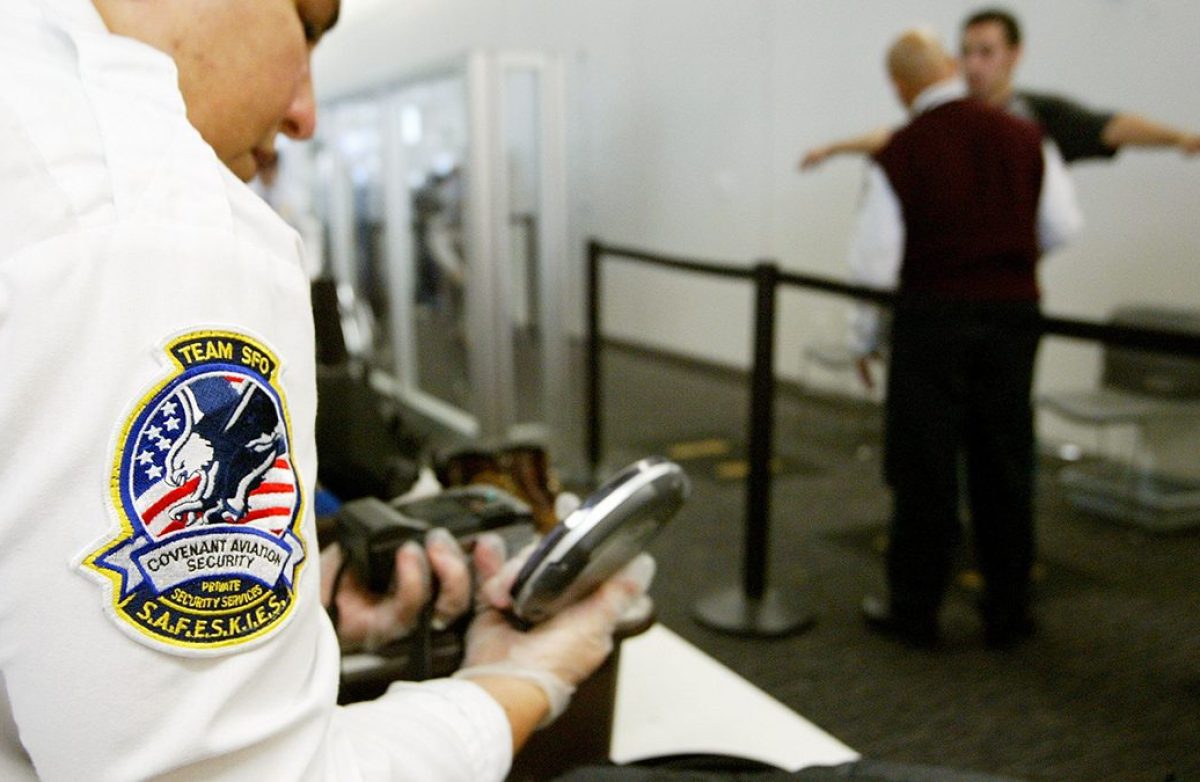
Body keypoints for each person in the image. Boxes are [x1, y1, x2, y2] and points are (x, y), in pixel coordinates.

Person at [0, 1, 652, 780]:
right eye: (307, 26)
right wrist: (510, 684)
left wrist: (283, 643)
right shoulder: (148, 217)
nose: (305, 114)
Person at [848, 28, 1083, 649]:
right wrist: (1004, 263)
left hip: (932, 319)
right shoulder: (1027, 136)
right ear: (950, 66)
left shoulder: (901, 150)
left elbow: (875, 265)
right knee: (1005, 461)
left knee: (925, 467)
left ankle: (915, 610)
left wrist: (864, 340)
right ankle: (1008, 612)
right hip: (1012, 318)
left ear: (900, 87)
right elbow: (1061, 226)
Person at [799, 7, 1200, 169]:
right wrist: (833, 149)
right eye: (967, 52)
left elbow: (1111, 126)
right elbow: (895, 138)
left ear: (1014, 54)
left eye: (986, 52)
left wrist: (1178, 137)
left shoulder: (1036, 116)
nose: (974, 64)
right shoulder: (946, 116)